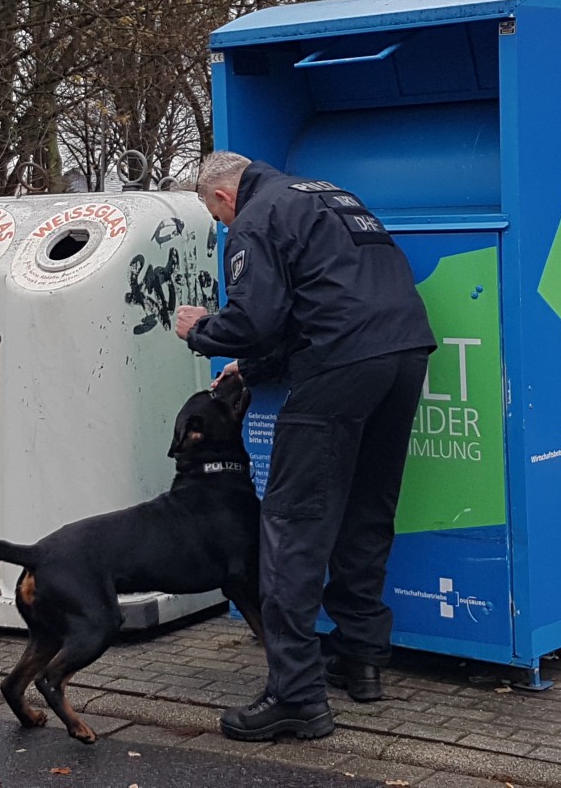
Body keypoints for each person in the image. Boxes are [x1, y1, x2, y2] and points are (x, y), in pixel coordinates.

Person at [174, 151, 435, 742]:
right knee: (366, 511)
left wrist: (203, 332)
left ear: (220, 197)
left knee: (293, 527)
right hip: (403, 357)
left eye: (214, 216)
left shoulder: (254, 218)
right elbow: (313, 303)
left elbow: (255, 318)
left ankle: (295, 696)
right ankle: (361, 660)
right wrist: (253, 366)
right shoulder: (327, 196)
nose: (220, 227)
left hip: (339, 365)